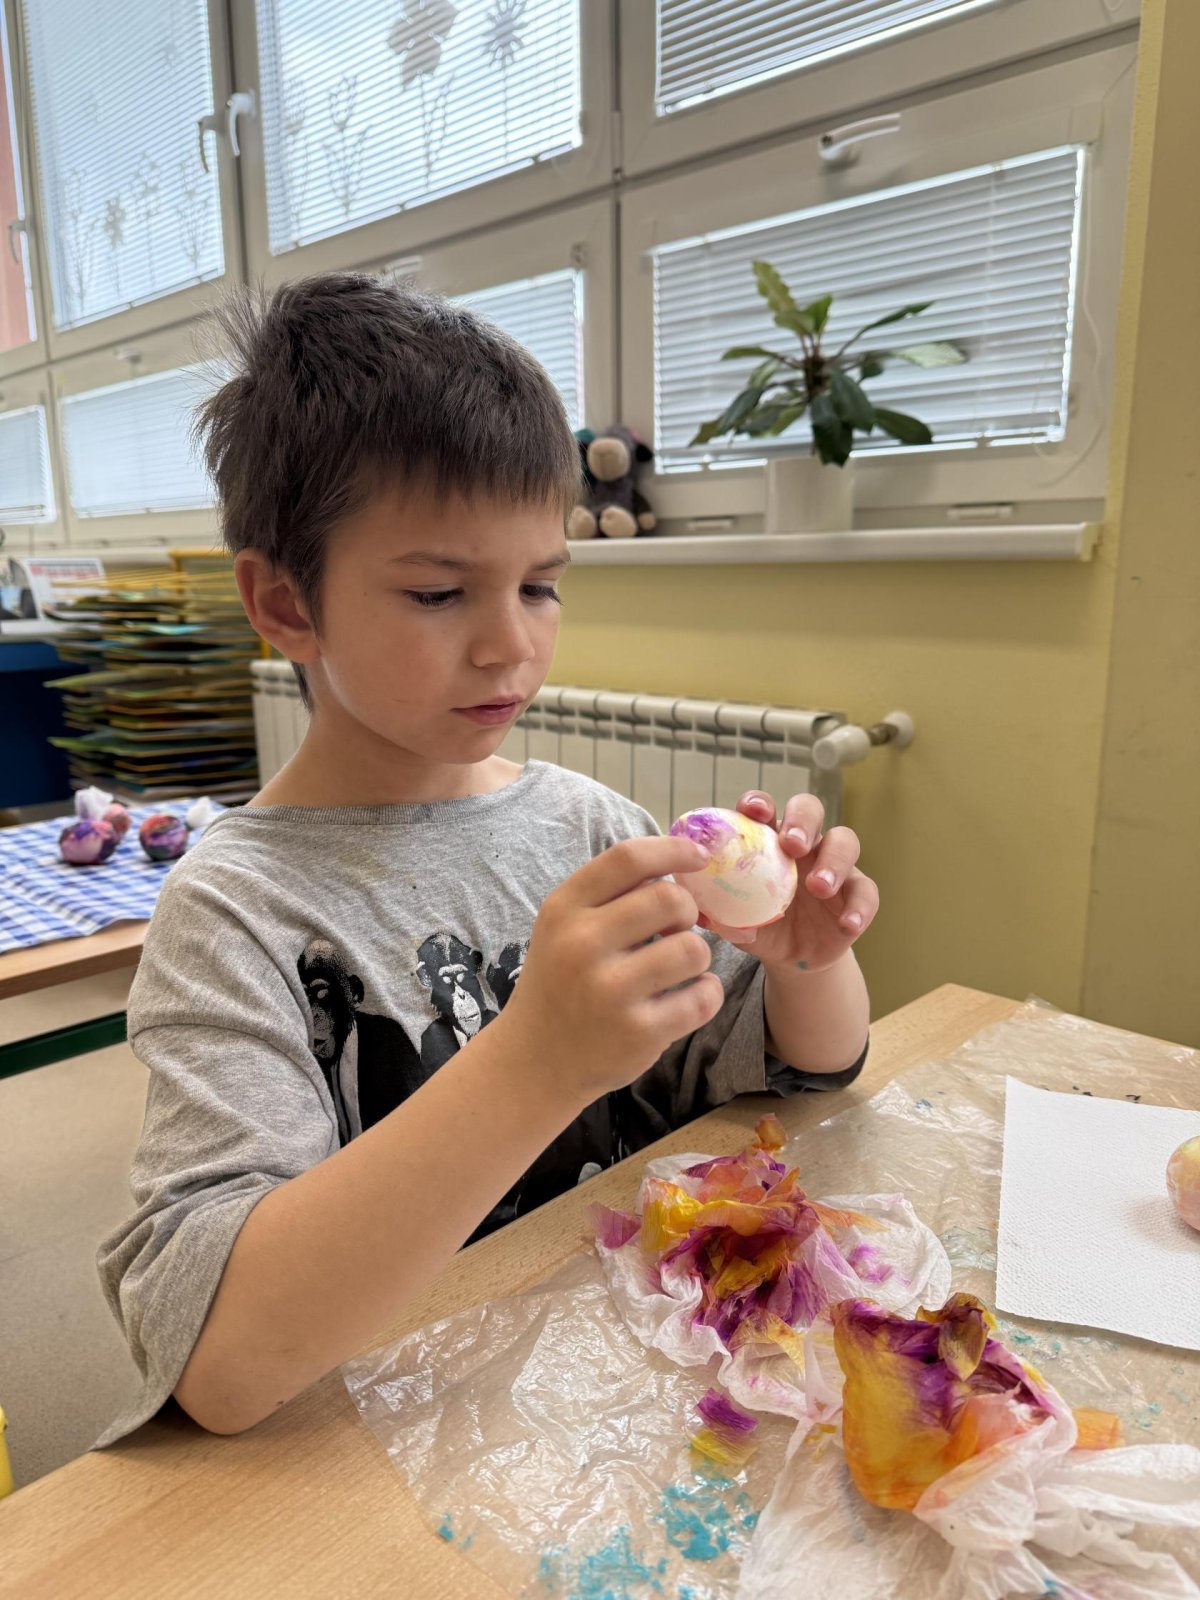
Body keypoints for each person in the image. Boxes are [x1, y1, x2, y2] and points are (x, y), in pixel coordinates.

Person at [96, 274, 877, 1443]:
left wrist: (803, 959)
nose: (512, 642)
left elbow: (801, 1071)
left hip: (625, 1400)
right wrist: (534, 1061)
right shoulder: (235, 910)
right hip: (396, 1443)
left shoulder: (588, 825)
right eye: (437, 591)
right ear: (286, 603)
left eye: (541, 584)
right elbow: (216, 1363)